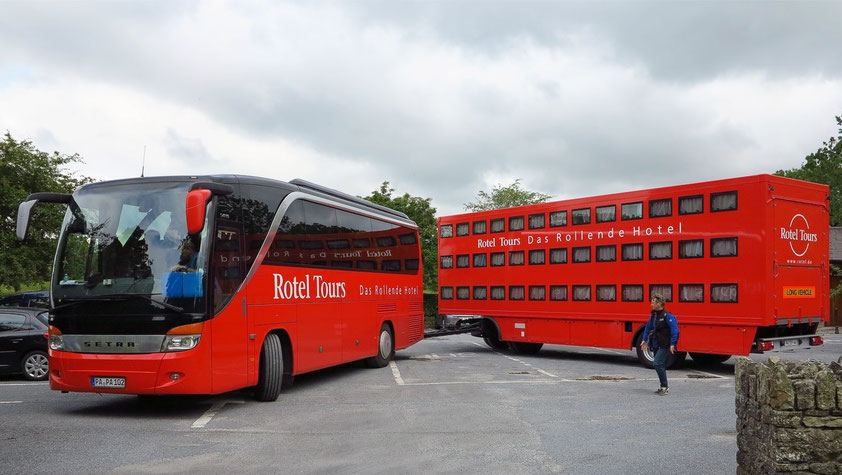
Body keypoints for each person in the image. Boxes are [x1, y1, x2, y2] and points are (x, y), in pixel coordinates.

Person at [640, 293, 679, 395]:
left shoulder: (668, 316)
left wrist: (672, 344)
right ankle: (663, 386)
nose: (651, 304)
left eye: (653, 302)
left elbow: (675, 331)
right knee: (660, 364)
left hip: (665, 344)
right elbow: (648, 328)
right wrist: (644, 340)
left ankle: (664, 387)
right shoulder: (653, 316)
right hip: (655, 343)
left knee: (657, 363)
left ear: (660, 303)